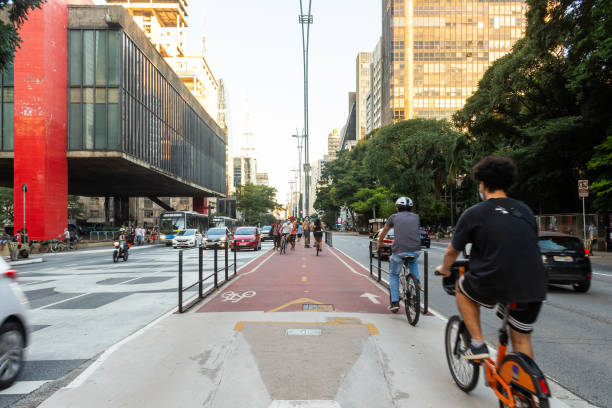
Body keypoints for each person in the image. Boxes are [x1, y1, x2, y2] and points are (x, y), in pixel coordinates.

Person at [436, 156, 547, 360]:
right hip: (535, 283)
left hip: (495, 279)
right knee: (521, 341)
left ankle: (477, 344)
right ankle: (525, 389)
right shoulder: (525, 211)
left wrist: (444, 269)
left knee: (462, 287)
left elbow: (451, 252)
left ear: (483, 184)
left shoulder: (474, 213)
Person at [378, 197, 421, 313]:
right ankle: (417, 283)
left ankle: (395, 302)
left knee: (393, 274)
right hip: (416, 250)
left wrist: (380, 242)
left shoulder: (393, 217)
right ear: (411, 208)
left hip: (399, 251)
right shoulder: (416, 217)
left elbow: (384, 231)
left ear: (397, 208)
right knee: (413, 260)